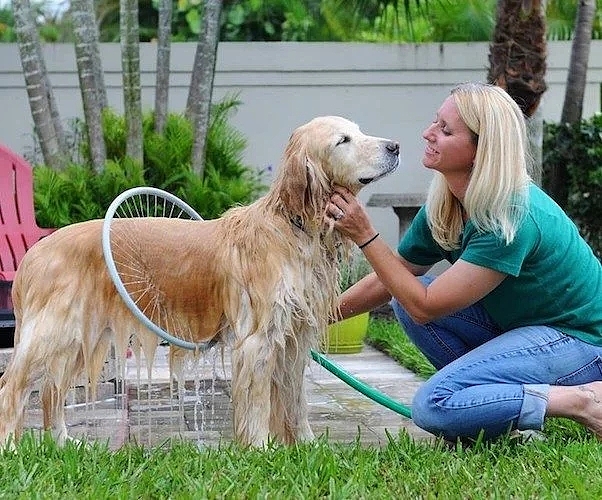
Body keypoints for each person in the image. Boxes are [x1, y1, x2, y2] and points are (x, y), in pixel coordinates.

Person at [327, 82, 602, 442]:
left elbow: (426, 308)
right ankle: (499, 413)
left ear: (480, 149)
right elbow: (393, 280)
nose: (428, 134)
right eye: (434, 123)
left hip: (579, 343)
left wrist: (365, 235)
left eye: (445, 130)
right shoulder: (449, 203)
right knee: (404, 294)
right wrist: (316, 317)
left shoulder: (510, 216)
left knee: (434, 404)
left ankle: (583, 401)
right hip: (521, 331)